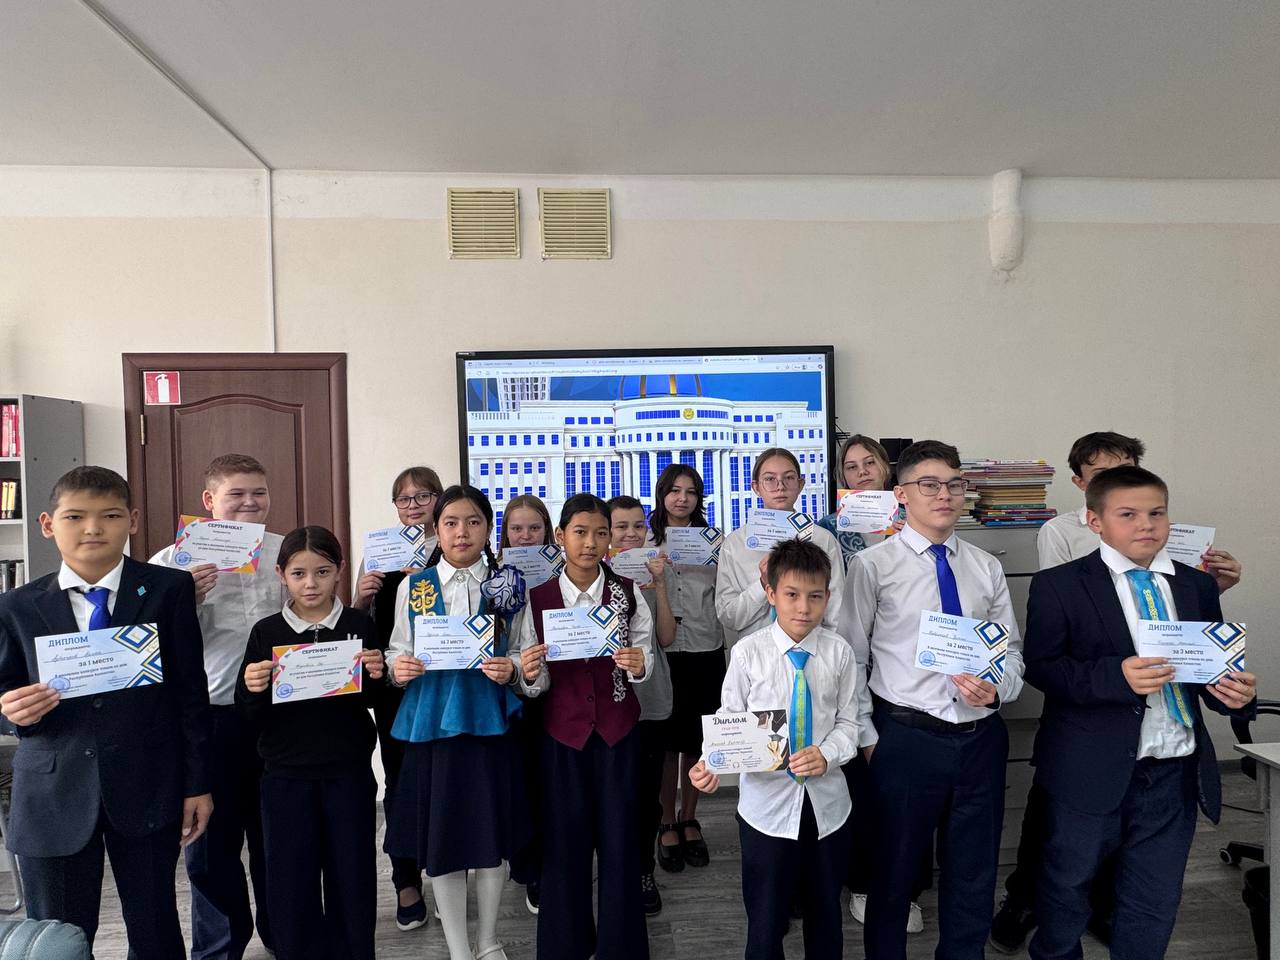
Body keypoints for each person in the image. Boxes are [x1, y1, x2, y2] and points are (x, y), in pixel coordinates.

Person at [990, 434, 1244, 953]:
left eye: (1156, 513)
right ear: (1095, 521)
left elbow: (1207, 671)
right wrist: (1115, 677)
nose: (1146, 525)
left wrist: (1232, 693)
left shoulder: (1194, 586)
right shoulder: (1062, 585)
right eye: (1127, 515)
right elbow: (1043, 666)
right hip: (1090, 767)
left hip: (1173, 766)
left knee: (1154, 896)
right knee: (1066, 888)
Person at [0, 466, 212, 957]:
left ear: (132, 520)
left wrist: (197, 783)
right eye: (75, 516)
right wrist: (12, 712)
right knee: (58, 936)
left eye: (110, 516)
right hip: (53, 793)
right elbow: (5, 690)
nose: (93, 528)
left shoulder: (168, 590)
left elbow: (189, 693)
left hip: (147, 783)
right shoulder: (15, 606)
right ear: (48, 524)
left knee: (155, 926)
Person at [841, 440, 1024, 960]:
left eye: (954, 484)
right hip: (905, 738)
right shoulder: (873, 566)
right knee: (893, 873)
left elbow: (1011, 650)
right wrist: (868, 738)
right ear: (901, 494)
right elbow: (850, 657)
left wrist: (1000, 687)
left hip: (980, 737)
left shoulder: (985, 567)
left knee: (974, 872)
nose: (944, 494)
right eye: (929, 484)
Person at [690, 538, 863, 960]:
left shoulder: (839, 653)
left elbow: (849, 723)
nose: (803, 608)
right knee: (766, 917)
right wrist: (710, 762)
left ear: (828, 598)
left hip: (827, 808)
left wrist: (828, 753)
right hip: (765, 810)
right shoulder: (748, 653)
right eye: (791, 594)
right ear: (770, 593)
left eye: (815, 596)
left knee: (825, 913)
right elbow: (730, 719)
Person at [385, 485, 529, 960]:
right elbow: (397, 648)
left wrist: (513, 669)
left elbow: (523, 650)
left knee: (492, 837)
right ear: (436, 529)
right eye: (450, 523)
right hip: (434, 726)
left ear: (488, 529)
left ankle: (488, 940)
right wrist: (398, 667)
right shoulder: (415, 586)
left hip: (490, 723)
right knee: (442, 840)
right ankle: (459, 949)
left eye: (472, 522)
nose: (461, 532)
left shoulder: (509, 584)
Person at [150, 453, 281, 960]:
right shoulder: (168, 564)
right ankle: (221, 948)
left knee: (277, 837)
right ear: (209, 500)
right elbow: (148, 651)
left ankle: (284, 935)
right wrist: (187, 600)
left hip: (275, 717)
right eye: (236, 494)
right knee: (208, 847)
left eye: (259, 493)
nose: (250, 503)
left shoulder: (285, 551)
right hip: (209, 721)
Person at [236, 526, 385, 960]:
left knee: (352, 875)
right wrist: (251, 686)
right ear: (281, 575)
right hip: (285, 776)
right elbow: (250, 712)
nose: (311, 584)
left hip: (347, 772)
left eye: (322, 572)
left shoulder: (358, 625)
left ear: (339, 571)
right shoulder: (266, 632)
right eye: (299, 574)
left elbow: (374, 701)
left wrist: (378, 675)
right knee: (290, 879)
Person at [517, 494, 654, 960]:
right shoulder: (538, 599)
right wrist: (530, 674)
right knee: (563, 847)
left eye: (600, 533)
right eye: (580, 532)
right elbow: (533, 678)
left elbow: (645, 656)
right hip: (563, 738)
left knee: (621, 844)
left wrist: (639, 665)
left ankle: (621, 948)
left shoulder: (627, 593)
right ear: (560, 536)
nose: (590, 543)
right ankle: (565, 947)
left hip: (618, 735)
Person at [351, 465, 443, 932]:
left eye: (422, 496)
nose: (413, 506)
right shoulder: (379, 552)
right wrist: (362, 595)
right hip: (396, 683)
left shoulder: (452, 545)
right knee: (400, 776)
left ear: (438, 500)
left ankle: (445, 871)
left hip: (444, 680)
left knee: (444, 776)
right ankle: (405, 877)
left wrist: (426, 581)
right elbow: (358, 621)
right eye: (404, 499)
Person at [644, 465, 725, 877]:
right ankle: (665, 820)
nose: (682, 499)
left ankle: (689, 818)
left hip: (705, 647)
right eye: (674, 491)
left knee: (697, 739)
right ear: (662, 494)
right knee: (666, 743)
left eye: (691, 492)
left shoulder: (715, 542)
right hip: (663, 651)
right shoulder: (644, 542)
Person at [608, 494, 674, 914]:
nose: (631, 534)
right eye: (621, 527)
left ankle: (644, 869)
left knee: (647, 794)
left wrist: (660, 585)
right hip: (608, 703)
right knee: (613, 794)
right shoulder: (593, 574)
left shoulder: (654, 571)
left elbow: (665, 638)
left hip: (650, 698)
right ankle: (615, 869)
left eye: (638, 526)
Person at [716, 448, 844, 651]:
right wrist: (761, 585)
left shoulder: (822, 539)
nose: (780, 486)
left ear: (800, 484)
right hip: (756, 656)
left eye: (789, 478)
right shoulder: (734, 544)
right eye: (770, 479)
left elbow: (836, 609)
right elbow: (729, 616)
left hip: (814, 652)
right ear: (756, 487)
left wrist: (830, 654)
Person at [499, 493, 555, 915]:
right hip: (506, 695)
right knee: (515, 784)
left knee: (546, 784)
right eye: (516, 528)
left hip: (556, 693)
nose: (525, 536)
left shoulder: (566, 574)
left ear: (548, 533)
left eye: (534, 528)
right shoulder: (491, 575)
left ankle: (542, 868)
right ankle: (522, 864)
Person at [816, 434, 899, 570]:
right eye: (852, 467)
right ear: (842, 475)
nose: (862, 471)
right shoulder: (826, 528)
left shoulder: (912, 522)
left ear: (886, 466)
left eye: (870, 462)